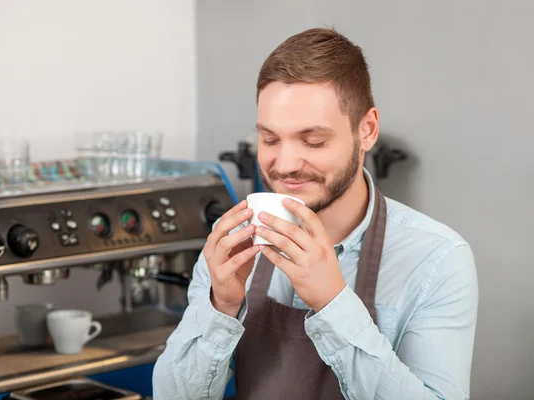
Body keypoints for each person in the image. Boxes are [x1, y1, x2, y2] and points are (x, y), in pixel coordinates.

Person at [152, 27, 478, 399]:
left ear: (367, 130)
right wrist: (220, 306)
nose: (285, 164)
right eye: (270, 139)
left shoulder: (437, 259)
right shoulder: (233, 245)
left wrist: (333, 304)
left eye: (314, 141)